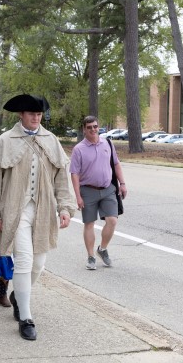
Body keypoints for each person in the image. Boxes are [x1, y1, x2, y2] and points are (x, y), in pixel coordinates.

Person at [0, 94, 76, 341]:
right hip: (14, 209)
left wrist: (65, 207)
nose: (36, 117)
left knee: (38, 264)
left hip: (43, 210)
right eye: (31, 113)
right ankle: (26, 317)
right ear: (21, 115)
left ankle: (17, 295)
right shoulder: (5, 141)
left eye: (39, 114)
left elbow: (61, 180)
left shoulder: (50, 140)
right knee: (23, 260)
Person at [69, 115, 127, 270]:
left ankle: (102, 249)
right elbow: (74, 174)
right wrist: (78, 196)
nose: (93, 130)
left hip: (108, 189)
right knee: (89, 223)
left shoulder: (107, 143)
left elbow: (116, 164)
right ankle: (90, 256)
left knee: (112, 220)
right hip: (88, 191)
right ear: (84, 129)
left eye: (95, 126)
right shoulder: (79, 149)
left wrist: (122, 184)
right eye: (89, 127)